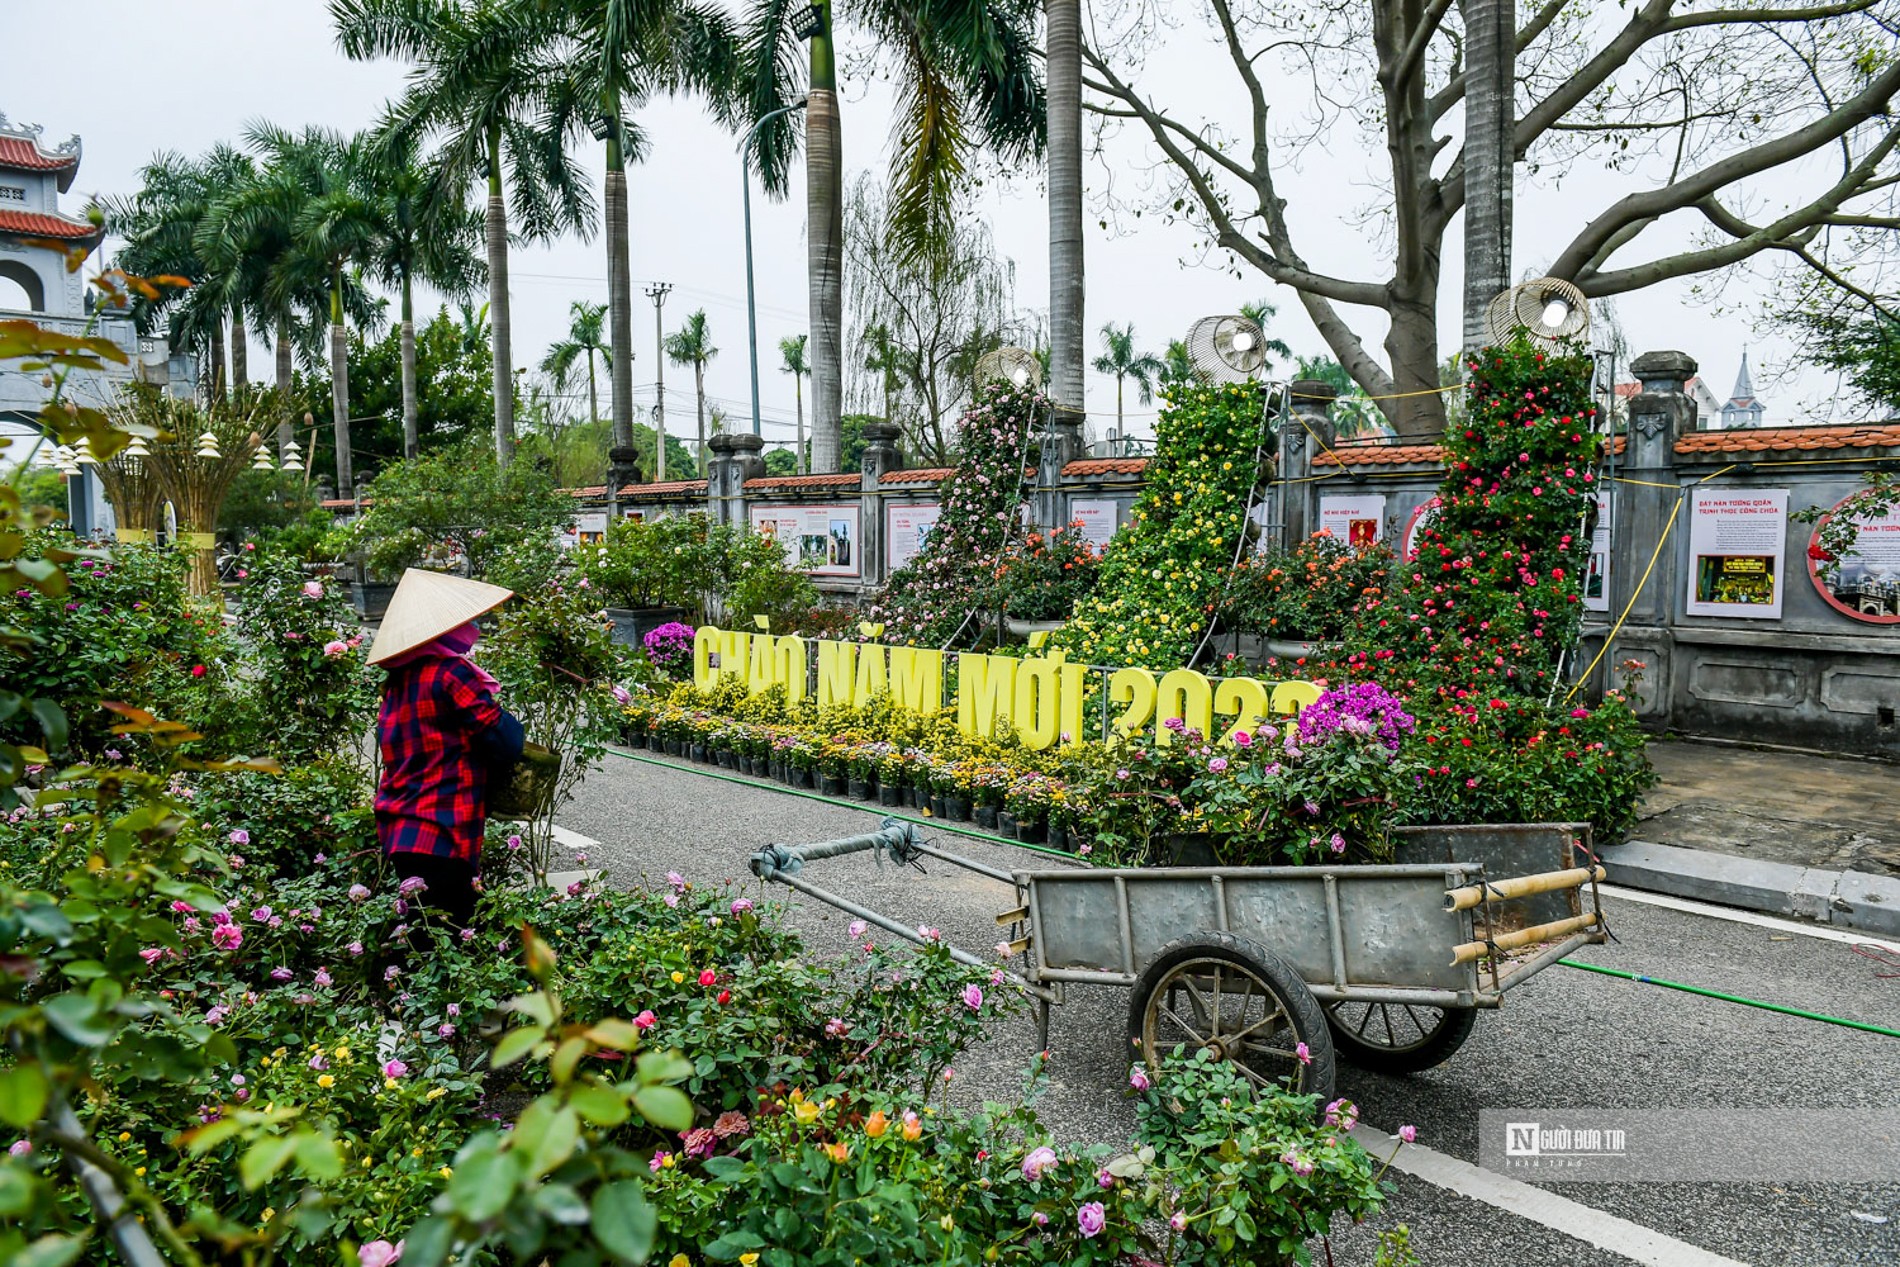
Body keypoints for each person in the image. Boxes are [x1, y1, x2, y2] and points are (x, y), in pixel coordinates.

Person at [366, 568, 524, 927]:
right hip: (442, 830)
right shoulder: (451, 673)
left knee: (423, 937)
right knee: (448, 938)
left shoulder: (397, 680)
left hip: (402, 831)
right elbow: (506, 742)